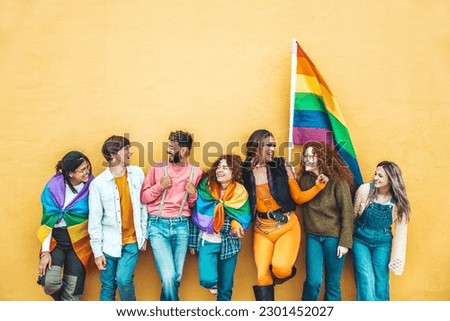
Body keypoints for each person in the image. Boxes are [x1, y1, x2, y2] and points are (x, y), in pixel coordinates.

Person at [242, 129, 328, 301]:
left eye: (274, 145)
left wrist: (317, 187)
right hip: (262, 229)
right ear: (256, 146)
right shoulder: (244, 171)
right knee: (262, 275)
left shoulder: (282, 166)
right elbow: (237, 198)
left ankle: (287, 271)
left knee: (280, 268)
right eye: (268, 145)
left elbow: (297, 197)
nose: (272, 149)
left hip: (287, 226)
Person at [141, 130, 202, 301]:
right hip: (157, 225)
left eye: (171, 147)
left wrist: (193, 194)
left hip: (182, 226)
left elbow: (192, 205)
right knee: (169, 277)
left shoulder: (195, 173)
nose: (168, 150)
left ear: (183, 151)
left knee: (176, 278)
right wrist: (159, 186)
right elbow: (144, 197)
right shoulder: (157, 168)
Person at [88, 135, 148, 301]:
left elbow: (143, 206)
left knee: (123, 279)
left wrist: (144, 234)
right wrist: (97, 252)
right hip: (108, 244)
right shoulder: (98, 184)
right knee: (108, 284)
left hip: (131, 241)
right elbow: (95, 220)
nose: (131, 152)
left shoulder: (137, 174)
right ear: (114, 154)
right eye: (126, 149)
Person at [189, 154, 252, 301]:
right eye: (218, 166)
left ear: (234, 172)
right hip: (207, 242)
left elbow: (242, 216)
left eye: (225, 167)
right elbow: (196, 215)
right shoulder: (206, 188)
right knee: (207, 280)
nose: (219, 170)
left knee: (226, 289)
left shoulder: (240, 193)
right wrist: (193, 243)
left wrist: (236, 227)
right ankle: (214, 284)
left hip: (230, 244)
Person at [297, 141, 354, 301]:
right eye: (305, 156)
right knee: (313, 281)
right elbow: (296, 197)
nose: (306, 159)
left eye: (311, 156)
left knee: (333, 284)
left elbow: (347, 212)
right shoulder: (304, 180)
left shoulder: (338, 182)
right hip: (313, 237)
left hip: (334, 239)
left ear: (322, 159)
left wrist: (345, 242)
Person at [37, 151, 94, 300]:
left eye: (87, 167)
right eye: (82, 170)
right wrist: (45, 252)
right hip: (57, 240)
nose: (87, 172)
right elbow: (47, 221)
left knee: (73, 291)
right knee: (50, 283)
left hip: (80, 241)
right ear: (70, 173)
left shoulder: (92, 187)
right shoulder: (53, 187)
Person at [352, 161, 411, 301]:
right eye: (375, 174)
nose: (375, 178)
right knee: (365, 278)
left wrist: (397, 259)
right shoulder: (364, 190)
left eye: (380, 176)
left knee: (381, 282)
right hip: (360, 240)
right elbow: (353, 216)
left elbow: (401, 233)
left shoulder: (398, 202)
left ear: (390, 179)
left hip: (382, 242)